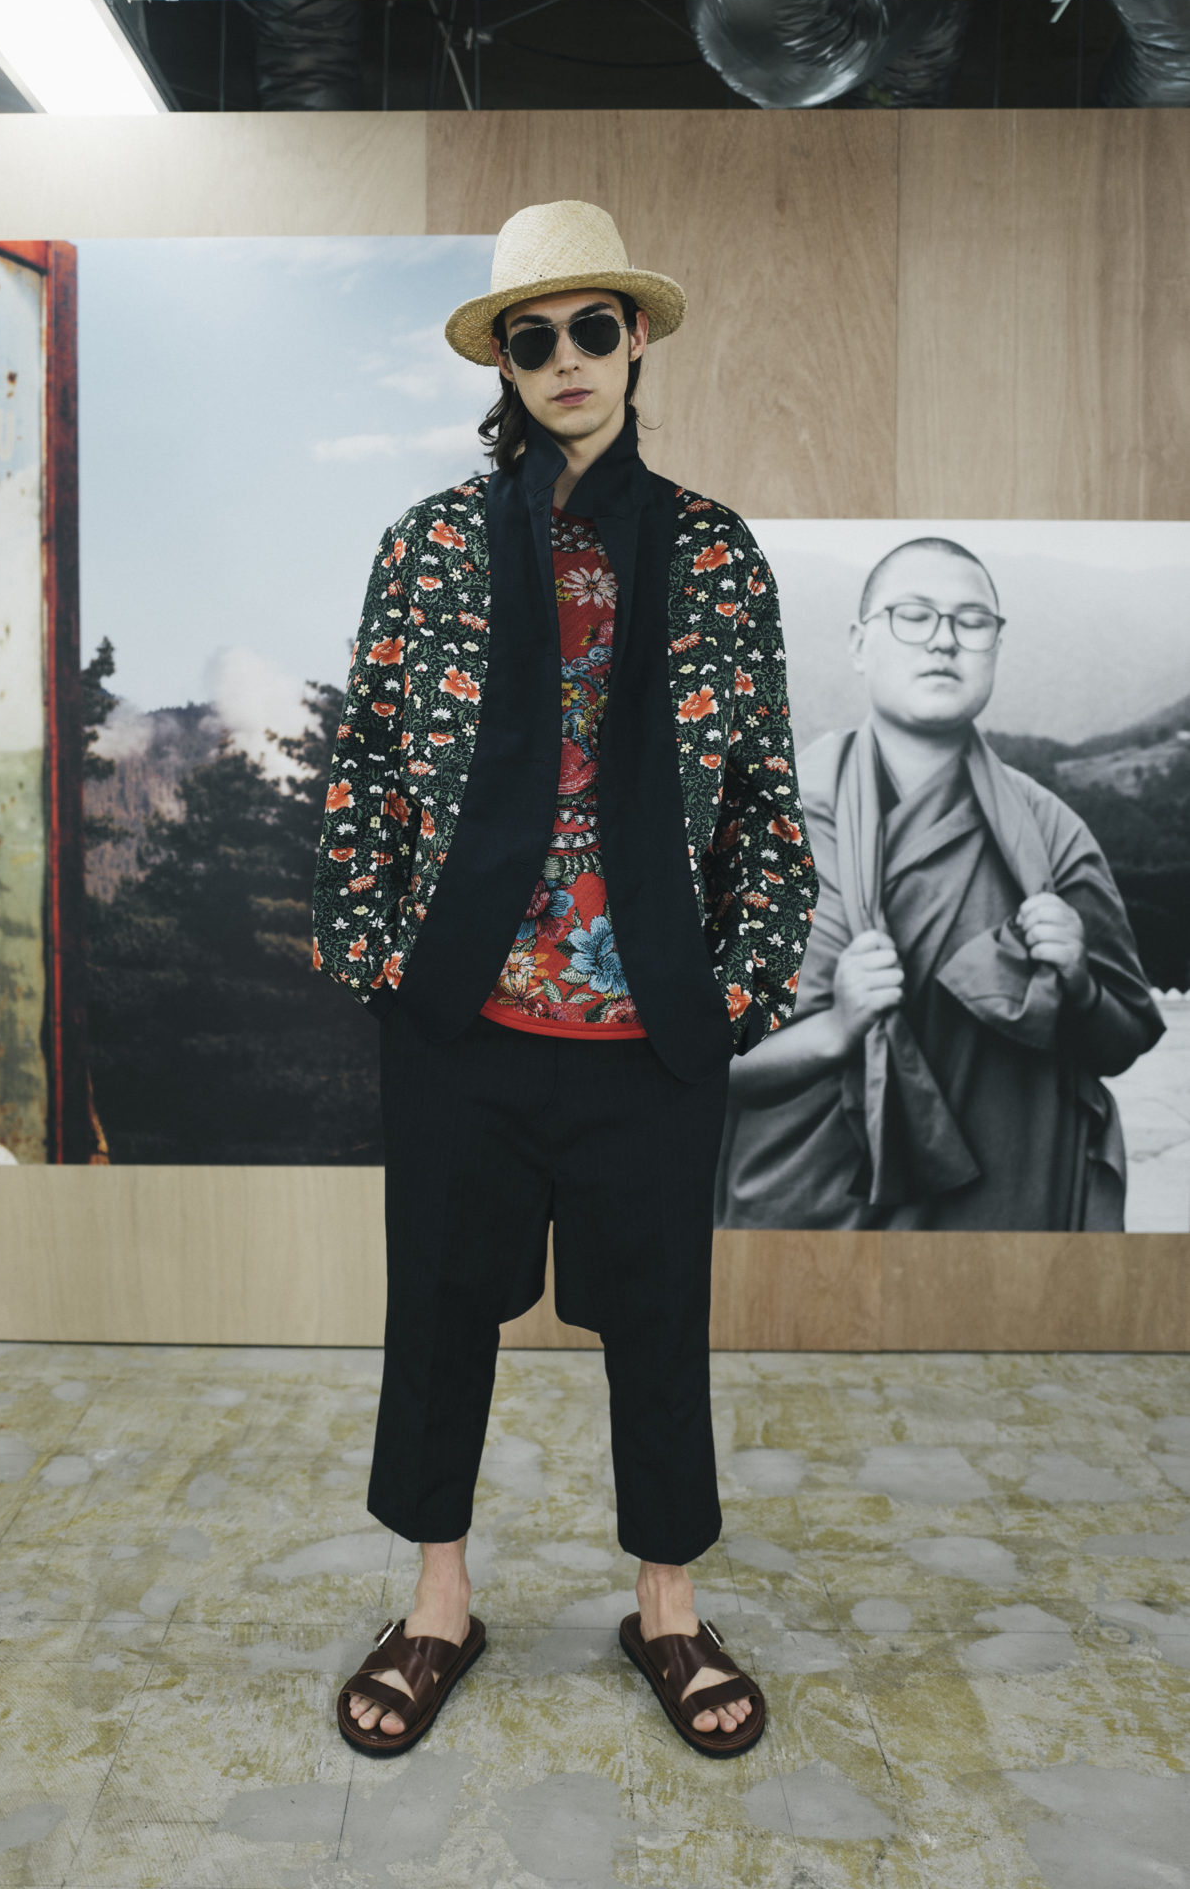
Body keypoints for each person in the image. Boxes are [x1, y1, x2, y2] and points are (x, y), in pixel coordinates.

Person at [310, 200, 818, 1758]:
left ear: (636, 337)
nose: (565, 359)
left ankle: (667, 1612)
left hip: (653, 1025)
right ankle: (436, 1607)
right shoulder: (430, 546)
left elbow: (763, 794)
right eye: (532, 339)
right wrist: (381, 957)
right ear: (504, 364)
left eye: (592, 327)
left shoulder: (717, 551)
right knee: (436, 1318)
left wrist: (739, 988)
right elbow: (367, 762)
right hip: (463, 1018)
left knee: (660, 1325)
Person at [717, 535, 1166, 1231]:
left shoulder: (1050, 834)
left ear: (996, 646)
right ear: (859, 643)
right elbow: (694, 1061)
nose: (943, 640)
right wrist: (836, 1030)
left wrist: (1078, 983)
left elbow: (1122, 1040)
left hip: (1003, 1217)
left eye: (971, 621)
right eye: (914, 615)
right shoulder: (769, 824)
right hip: (806, 1222)